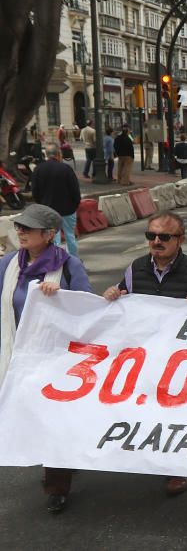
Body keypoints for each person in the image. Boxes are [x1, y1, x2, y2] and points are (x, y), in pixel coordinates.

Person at [101, 211, 187, 500]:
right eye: (151, 236)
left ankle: (177, 468)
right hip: (145, 355)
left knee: (177, 412)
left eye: (164, 237)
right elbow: (123, 295)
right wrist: (113, 294)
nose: (156, 241)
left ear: (180, 239)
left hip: (181, 359)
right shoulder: (135, 268)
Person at [0, 205, 92, 513]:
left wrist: (62, 300)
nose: (21, 232)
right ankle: (64, 457)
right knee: (29, 417)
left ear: (49, 234)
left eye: (29, 228)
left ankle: (57, 486)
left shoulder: (69, 266)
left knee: (54, 419)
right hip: (19, 357)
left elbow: (87, 312)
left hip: (57, 360)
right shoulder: (8, 264)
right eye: (19, 227)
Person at [31, 144, 82, 257]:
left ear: (46, 155)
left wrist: (42, 205)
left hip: (48, 210)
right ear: (59, 154)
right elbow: (75, 190)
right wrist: (75, 204)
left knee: (54, 238)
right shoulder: (66, 169)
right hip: (68, 209)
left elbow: (35, 191)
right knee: (70, 236)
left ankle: (57, 262)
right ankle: (74, 261)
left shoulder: (38, 169)